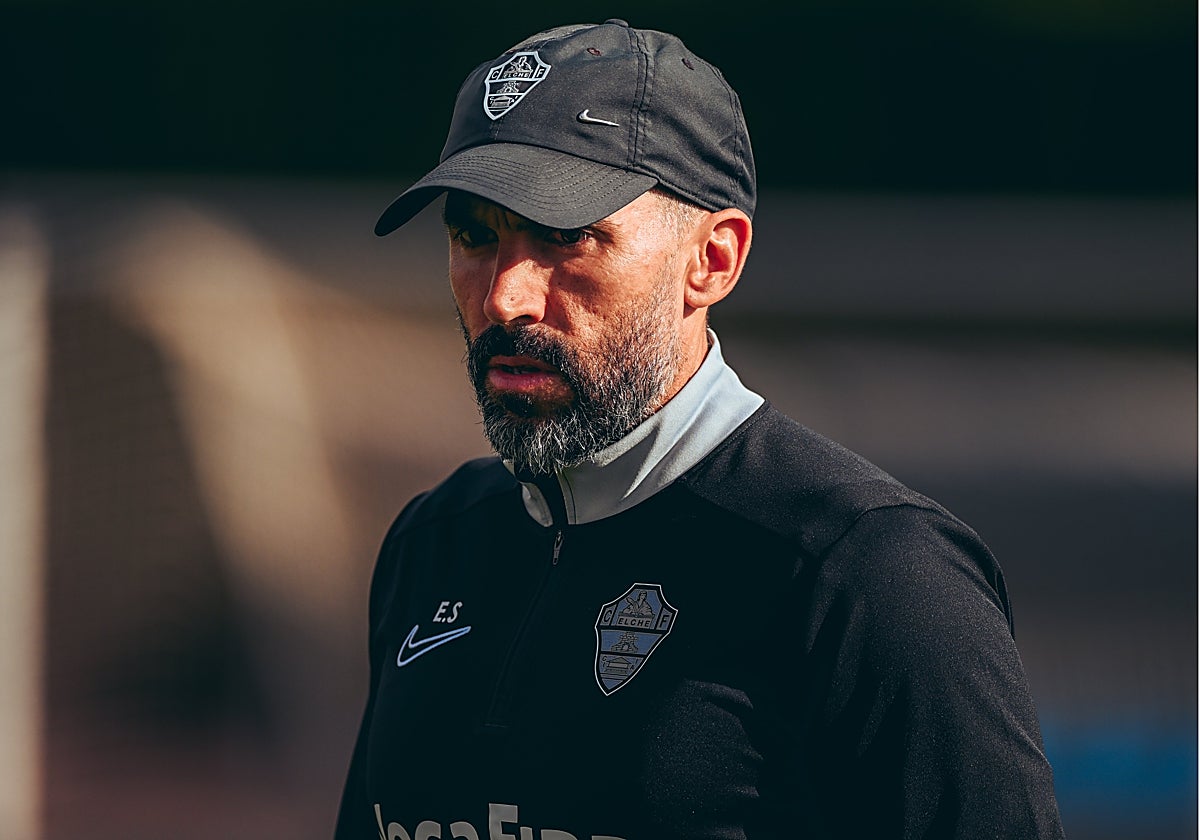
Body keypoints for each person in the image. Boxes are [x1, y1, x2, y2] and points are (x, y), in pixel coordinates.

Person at [335, 20, 1064, 840]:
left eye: (565, 235)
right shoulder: (433, 542)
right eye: (474, 233)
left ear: (712, 260)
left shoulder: (871, 575)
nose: (506, 297)